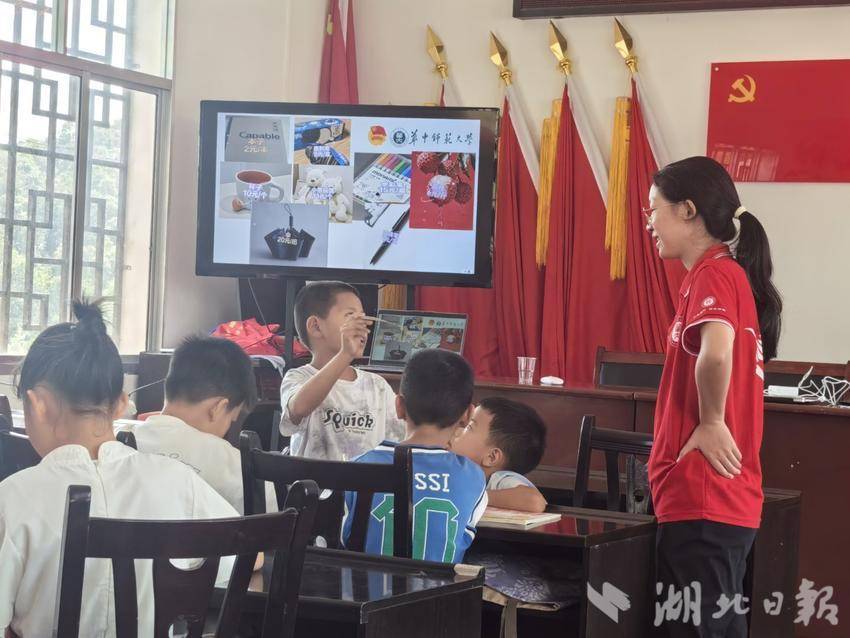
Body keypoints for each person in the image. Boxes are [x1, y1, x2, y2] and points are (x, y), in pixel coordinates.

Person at [0, 302, 239, 638]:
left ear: (38, 405)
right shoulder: (177, 480)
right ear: (121, 404)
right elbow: (251, 557)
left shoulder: (13, 498)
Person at [645, 156, 782, 637]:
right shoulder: (724, 274)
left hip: (704, 496)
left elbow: (716, 353)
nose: (649, 223)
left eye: (654, 209)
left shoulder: (715, 274)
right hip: (716, 499)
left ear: (688, 210)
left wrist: (710, 422)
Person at [342, 349, 487, 563]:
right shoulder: (473, 476)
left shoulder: (359, 467)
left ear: (399, 406)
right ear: (467, 414)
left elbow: (342, 539)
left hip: (362, 586)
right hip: (437, 586)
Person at [117, 335, 276, 513]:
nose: (227, 428)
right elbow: (271, 521)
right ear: (218, 408)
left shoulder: (115, 447)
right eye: (231, 419)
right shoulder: (239, 467)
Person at [279, 281, 405, 460]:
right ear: (316, 326)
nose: (362, 325)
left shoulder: (377, 385)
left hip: (367, 479)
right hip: (314, 479)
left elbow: (405, 435)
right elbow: (297, 409)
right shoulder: (298, 377)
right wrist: (345, 354)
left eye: (363, 318)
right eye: (350, 316)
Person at [450, 397, 547, 513]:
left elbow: (534, 501)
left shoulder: (499, 480)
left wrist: (472, 497)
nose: (457, 429)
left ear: (491, 457)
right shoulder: (455, 470)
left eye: (468, 427)